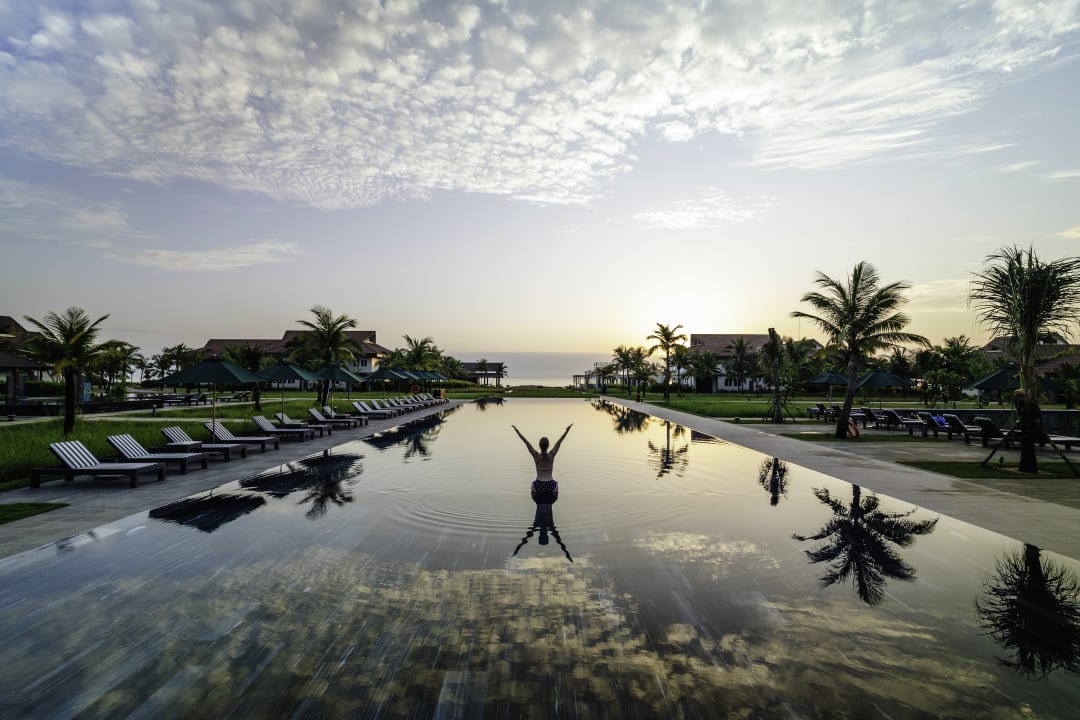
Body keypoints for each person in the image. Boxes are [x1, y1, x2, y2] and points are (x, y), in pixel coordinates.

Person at [511, 424, 572, 500]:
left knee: (533, 487)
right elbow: (559, 442)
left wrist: (518, 432)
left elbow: (526, 443)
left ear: (539, 446)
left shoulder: (536, 456)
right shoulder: (552, 455)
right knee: (555, 488)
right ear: (548, 445)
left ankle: (537, 500)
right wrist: (567, 431)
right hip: (551, 486)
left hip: (538, 486)